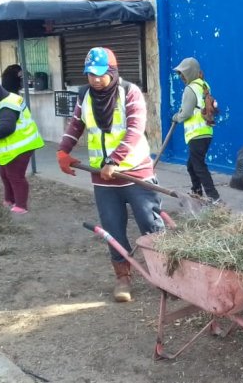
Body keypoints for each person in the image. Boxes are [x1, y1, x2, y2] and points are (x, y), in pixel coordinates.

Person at [56, 47, 164, 303]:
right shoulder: (85, 96)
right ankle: (123, 278)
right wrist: (63, 151)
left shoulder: (130, 93)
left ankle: (166, 275)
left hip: (136, 174)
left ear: (112, 71)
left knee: (151, 226)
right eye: (90, 74)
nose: (95, 79)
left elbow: (135, 129)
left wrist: (114, 160)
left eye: (100, 74)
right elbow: (76, 125)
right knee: (113, 229)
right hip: (103, 180)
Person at [0, 74, 45, 215]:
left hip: (21, 146)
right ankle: (9, 199)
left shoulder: (7, 106)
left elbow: (7, 127)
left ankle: (21, 205)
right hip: (15, 146)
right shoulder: (6, 99)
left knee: (15, 175)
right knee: (4, 172)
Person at [172, 57, 220, 203]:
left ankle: (214, 198)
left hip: (196, 134)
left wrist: (176, 117)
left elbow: (186, 113)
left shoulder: (190, 88)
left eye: (182, 73)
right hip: (206, 132)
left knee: (198, 166)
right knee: (192, 164)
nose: (181, 77)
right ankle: (196, 191)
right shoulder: (204, 85)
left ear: (190, 73)